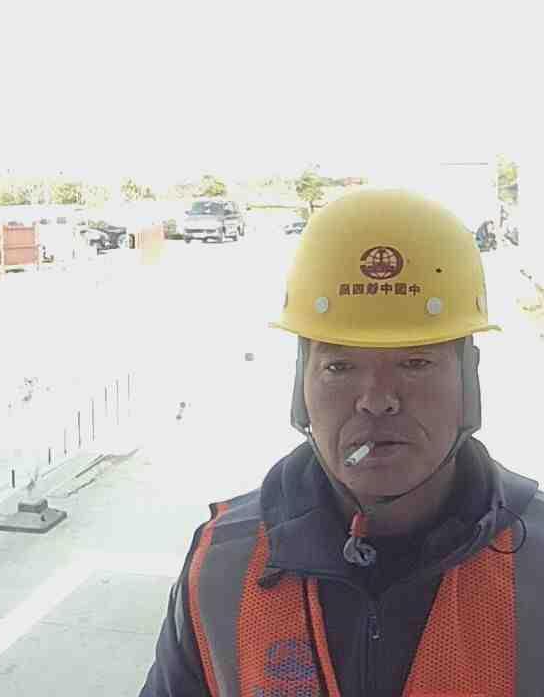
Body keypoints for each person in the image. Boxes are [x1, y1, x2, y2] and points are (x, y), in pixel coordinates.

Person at [139, 188, 544, 697]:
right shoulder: (223, 566)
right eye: (339, 366)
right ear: (301, 387)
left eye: (415, 362)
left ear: (469, 381)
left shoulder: (535, 563)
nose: (377, 400)